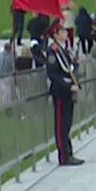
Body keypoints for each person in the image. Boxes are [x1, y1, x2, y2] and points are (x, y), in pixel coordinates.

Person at [38, 19, 84, 165]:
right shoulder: (53, 51)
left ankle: (68, 152)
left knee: (67, 122)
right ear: (56, 34)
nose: (66, 33)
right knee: (61, 124)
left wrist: (75, 64)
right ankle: (63, 156)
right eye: (63, 31)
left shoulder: (63, 49)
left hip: (69, 91)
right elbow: (53, 74)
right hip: (60, 91)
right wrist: (68, 86)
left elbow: (69, 68)